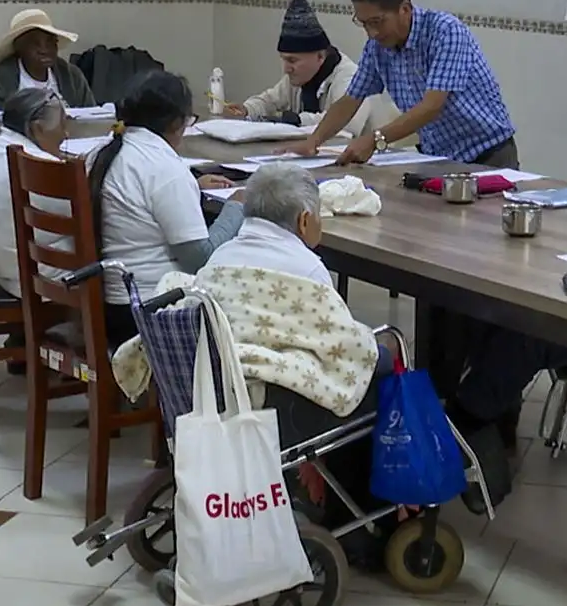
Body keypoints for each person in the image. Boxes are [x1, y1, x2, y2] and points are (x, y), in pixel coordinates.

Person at [111, 164, 400, 566]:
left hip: (208, 391)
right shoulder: (309, 269)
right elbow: (336, 344)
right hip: (269, 404)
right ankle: (362, 523)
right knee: (377, 374)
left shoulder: (221, 257)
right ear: (304, 220)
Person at [291, 0, 518, 169]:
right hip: (440, 159)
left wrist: (375, 139)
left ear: (405, 9)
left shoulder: (445, 32)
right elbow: (351, 99)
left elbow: (432, 106)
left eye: (377, 22)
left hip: (487, 155)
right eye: (364, 24)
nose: (372, 33)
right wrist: (314, 141)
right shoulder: (377, 47)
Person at [86, 71, 242, 347]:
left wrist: (190, 184)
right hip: (150, 310)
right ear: (176, 122)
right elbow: (200, 259)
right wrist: (236, 207)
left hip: (110, 303)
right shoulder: (165, 169)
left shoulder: (102, 152)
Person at [0, 89, 70, 301]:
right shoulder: (41, 169)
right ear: (37, 128)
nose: (66, 134)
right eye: (63, 126)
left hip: (6, 273)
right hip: (45, 280)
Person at [224, 0, 378, 138]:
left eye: (292, 60)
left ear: (320, 56)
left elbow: (348, 126)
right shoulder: (298, 77)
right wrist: (247, 109)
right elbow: (268, 101)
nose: (286, 69)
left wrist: (297, 120)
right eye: (283, 59)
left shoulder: (349, 77)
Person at [0, 9, 97, 115]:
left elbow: (91, 116)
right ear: (19, 48)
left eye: (50, 42)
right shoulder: (0, 76)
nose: (44, 50)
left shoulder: (71, 75)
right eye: (34, 43)